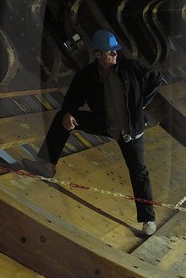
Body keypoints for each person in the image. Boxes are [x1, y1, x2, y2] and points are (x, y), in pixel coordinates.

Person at [29, 30, 166, 236]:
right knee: (61, 119)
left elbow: (156, 77)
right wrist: (69, 114)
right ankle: (48, 164)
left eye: (115, 52)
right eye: (110, 53)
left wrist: (141, 104)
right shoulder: (86, 76)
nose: (114, 55)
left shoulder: (129, 67)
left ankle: (148, 220)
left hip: (131, 130)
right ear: (97, 54)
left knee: (139, 173)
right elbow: (72, 100)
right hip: (106, 124)